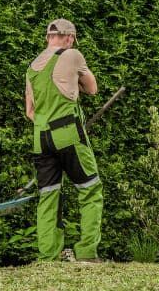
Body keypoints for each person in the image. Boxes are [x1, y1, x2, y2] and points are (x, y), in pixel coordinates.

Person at [25, 18, 104, 262]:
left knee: (49, 194)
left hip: (41, 138)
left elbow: (30, 111)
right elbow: (92, 89)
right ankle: (87, 252)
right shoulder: (73, 55)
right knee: (90, 189)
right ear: (69, 38)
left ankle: (49, 256)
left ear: (49, 37)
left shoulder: (32, 67)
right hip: (68, 133)